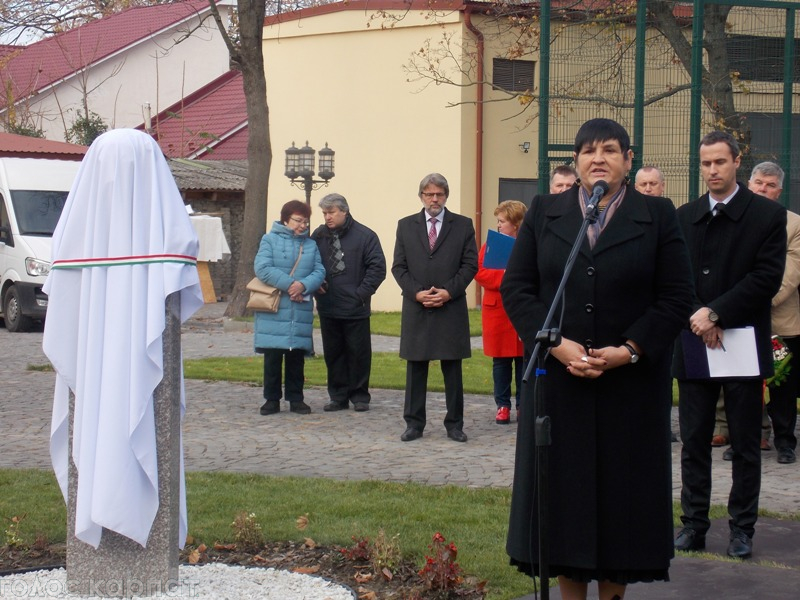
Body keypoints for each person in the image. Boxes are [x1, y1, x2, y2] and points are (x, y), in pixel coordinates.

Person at [502, 118, 694, 599]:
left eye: (610, 149)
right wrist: (555, 343)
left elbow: (676, 296)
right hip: (559, 383)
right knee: (564, 502)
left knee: (620, 504)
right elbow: (519, 289)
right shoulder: (546, 210)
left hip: (627, 387)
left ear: (628, 161)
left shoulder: (658, 214)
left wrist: (628, 350)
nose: (598, 158)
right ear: (577, 161)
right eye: (588, 150)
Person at [673, 132, 786, 560]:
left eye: (720, 162)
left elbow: (765, 279)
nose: (713, 170)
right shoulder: (684, 216)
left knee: (744, 443)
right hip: (694, 339)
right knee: (695, 440)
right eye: (706, 163)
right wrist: (699, 318)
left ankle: (742, 529)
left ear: (737, 162)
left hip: (742, 341)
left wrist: (716, 313)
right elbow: (675, 278)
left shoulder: (765, 217)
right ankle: (694, 524)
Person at [392, 172, 478, 443]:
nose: (434, 199)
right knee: (416, 368)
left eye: (439, 194)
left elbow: (470, 265)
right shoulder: (406, 225)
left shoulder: (463, 225)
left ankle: (455, 424)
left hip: (449, 307)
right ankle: (414, 424)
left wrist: (448, 292)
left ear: (446, 196)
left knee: (452, 368)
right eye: (429, 194)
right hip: (417, 308)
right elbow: (398, 266)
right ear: (421, 196)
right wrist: (416, 293)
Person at [311, 193, 386, 412]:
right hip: (328, 304)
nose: (327, 217)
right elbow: (310, 262)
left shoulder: (365, 236)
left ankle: (360, 396)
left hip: (356, 306)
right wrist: (316, 285)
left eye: (331, 212)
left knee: (358, 353)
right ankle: (338, 396)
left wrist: (361, 294)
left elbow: (377, 268)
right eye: (324, 213)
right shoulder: (319, 235)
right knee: (333, 353)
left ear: (344, 211)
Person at [254, 200, 325, 416]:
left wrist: (303, 285)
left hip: (299, 307)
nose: (302, 225)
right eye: (298, 220)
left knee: (296, 356)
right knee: (273, 355)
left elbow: (319, 271)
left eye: (305, 221)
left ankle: (296, 398)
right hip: (276, 305)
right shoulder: (269, 240)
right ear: (286, 219)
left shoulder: (310, 245)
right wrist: (290, 285)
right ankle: (271, 399)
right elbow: (262, 268)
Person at [634, 165, 679, 443]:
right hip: (634, 310)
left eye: (653, 184)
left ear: (662, 187)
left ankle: (663, 425)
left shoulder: (671, 217)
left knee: (662, 373)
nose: (648, 189)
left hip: (662, 310)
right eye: (643, 184)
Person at [474, 200, 527, 425]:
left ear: (515, 224)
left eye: (502, 221)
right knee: (501, 362)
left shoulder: (528, 243)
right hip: (497, 310)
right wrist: (505, 276)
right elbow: (479, 273)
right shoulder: (491, 245)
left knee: (524, 361)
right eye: (498, 221)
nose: (498, 226)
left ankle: (523, 405)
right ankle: (502, 405)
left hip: (521, 308)